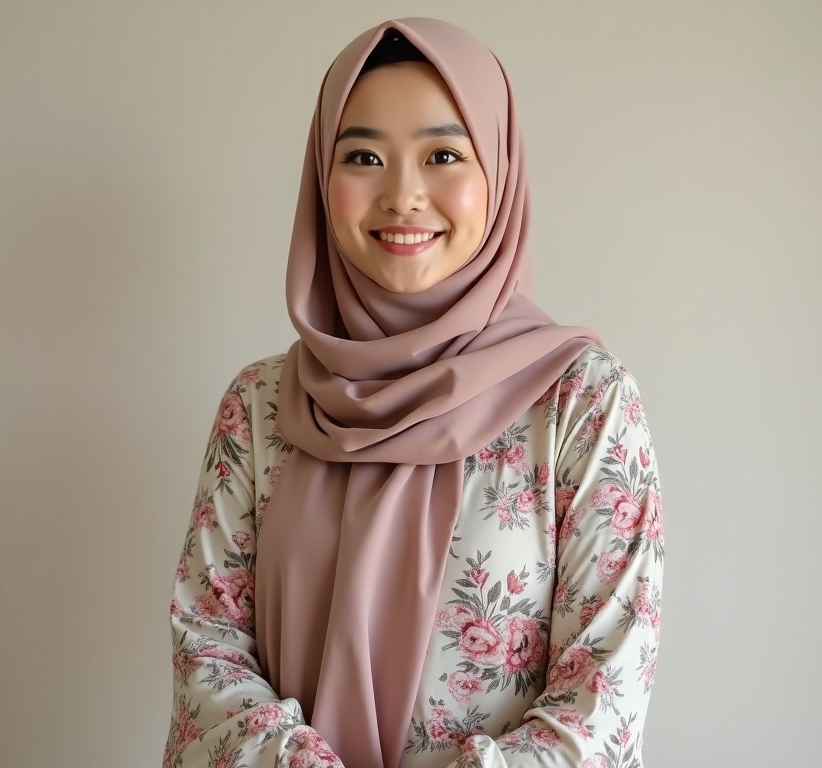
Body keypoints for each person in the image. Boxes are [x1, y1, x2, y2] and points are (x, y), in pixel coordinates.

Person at [165, 17, 664, 768]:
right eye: (364, 155)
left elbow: (604, 695)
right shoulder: (265, 406)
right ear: (319, 179)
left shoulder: (580, 405)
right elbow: (208, 648)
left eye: (443, 155)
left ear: (498, 170)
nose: (403, 195)